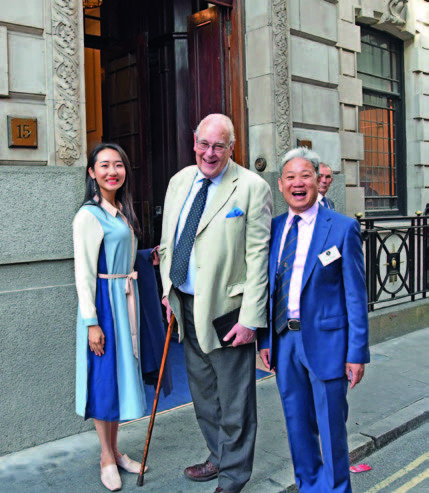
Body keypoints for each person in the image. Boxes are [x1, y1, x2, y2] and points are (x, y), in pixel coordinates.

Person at [159, 114, 272, 493]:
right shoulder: (179, 182)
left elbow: (259, 258)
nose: (210, 153)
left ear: (231, 148)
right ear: (194, 143)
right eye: (204, 144)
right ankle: (217, 456)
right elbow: (168, 242)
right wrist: (167, 288)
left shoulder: (252, 188)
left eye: (218, 146)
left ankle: (235, 474)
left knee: (235, 396)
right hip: (186, 303)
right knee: (203, 391)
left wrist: (252, 318)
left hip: (229, 310)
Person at [259, 147, 370, 493]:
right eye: (290, 177)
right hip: (285, 341)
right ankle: (308, 486)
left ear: (319, 181)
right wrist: (266, 341)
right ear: (280, 185)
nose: (298, 183)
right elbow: (267, 287)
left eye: (305, 176)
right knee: (297, 425)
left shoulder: (342, 228)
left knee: (331, 428)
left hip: (328, 343)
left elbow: (355, 296)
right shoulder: (275, 228)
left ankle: (336, 490)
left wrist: (357, 353)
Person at [73, 143, 147, 491]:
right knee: (104, 381)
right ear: (92, 173)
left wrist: (149, 258)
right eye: (104, 166)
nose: (112, 172)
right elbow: (84, 273)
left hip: (125, 301)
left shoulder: (122, 211)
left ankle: (116, 451)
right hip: (104, 304)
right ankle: (105, 455)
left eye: (118, 165)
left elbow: (126, 257)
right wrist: (91, 322)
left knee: (119, 379)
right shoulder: (89, 215)